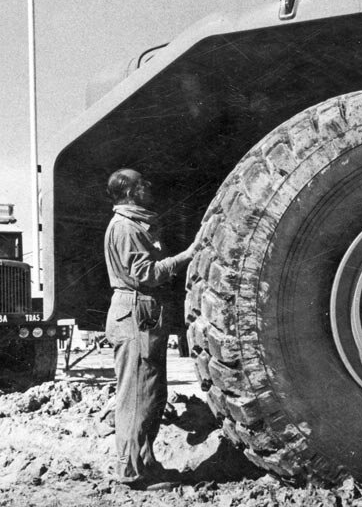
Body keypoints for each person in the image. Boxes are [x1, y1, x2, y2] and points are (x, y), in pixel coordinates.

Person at [103, 168, 198, 488]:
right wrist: (187, 256)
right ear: (129, 192)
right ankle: (131, 471)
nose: (149, 185)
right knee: (136, 394)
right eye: (142, 183)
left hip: (139, 311)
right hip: (135, 310)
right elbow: (144, 274)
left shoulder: (134, 223)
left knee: (149, 391)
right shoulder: (126, 228)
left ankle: (145, 463)